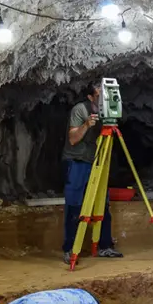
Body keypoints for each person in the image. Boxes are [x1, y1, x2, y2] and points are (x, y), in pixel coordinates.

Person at [62, 82, 122, 264]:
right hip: (78, 161)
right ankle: (70, 249)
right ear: (90, 97)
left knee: (102, 204)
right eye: (99, 96)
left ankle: (104, 245)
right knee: (75, 205)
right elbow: (72, 139)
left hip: (97, 161)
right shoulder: (80, 110)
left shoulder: (107, 115)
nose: (103, 100)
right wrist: (87, 124)